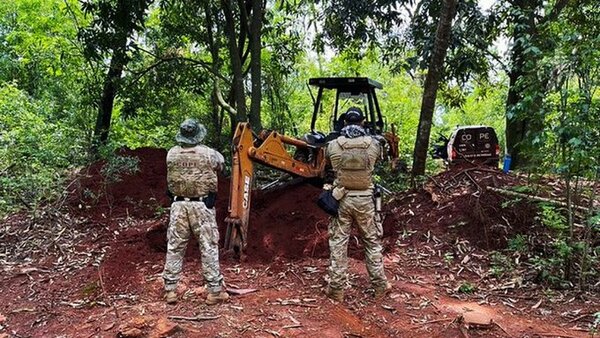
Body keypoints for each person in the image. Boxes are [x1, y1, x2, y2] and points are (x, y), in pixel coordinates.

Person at [324, 107, 391, 301]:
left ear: (344, 123)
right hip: (366, 200)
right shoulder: (374, 145)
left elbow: (328, 165)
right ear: (362, 122)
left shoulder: (333, 145)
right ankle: (379, 286)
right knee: (371, 242)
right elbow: (379, 161)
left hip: (341, 199)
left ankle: (336, 289)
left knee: (338, 243)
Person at [162, 118, 229, 305]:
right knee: (208, 246)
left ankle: (170, 291)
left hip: (178, 206)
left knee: (175, 247)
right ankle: (214, 290)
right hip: (201, 206)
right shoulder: (210, 154)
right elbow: (222, 167)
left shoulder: (171, 154)